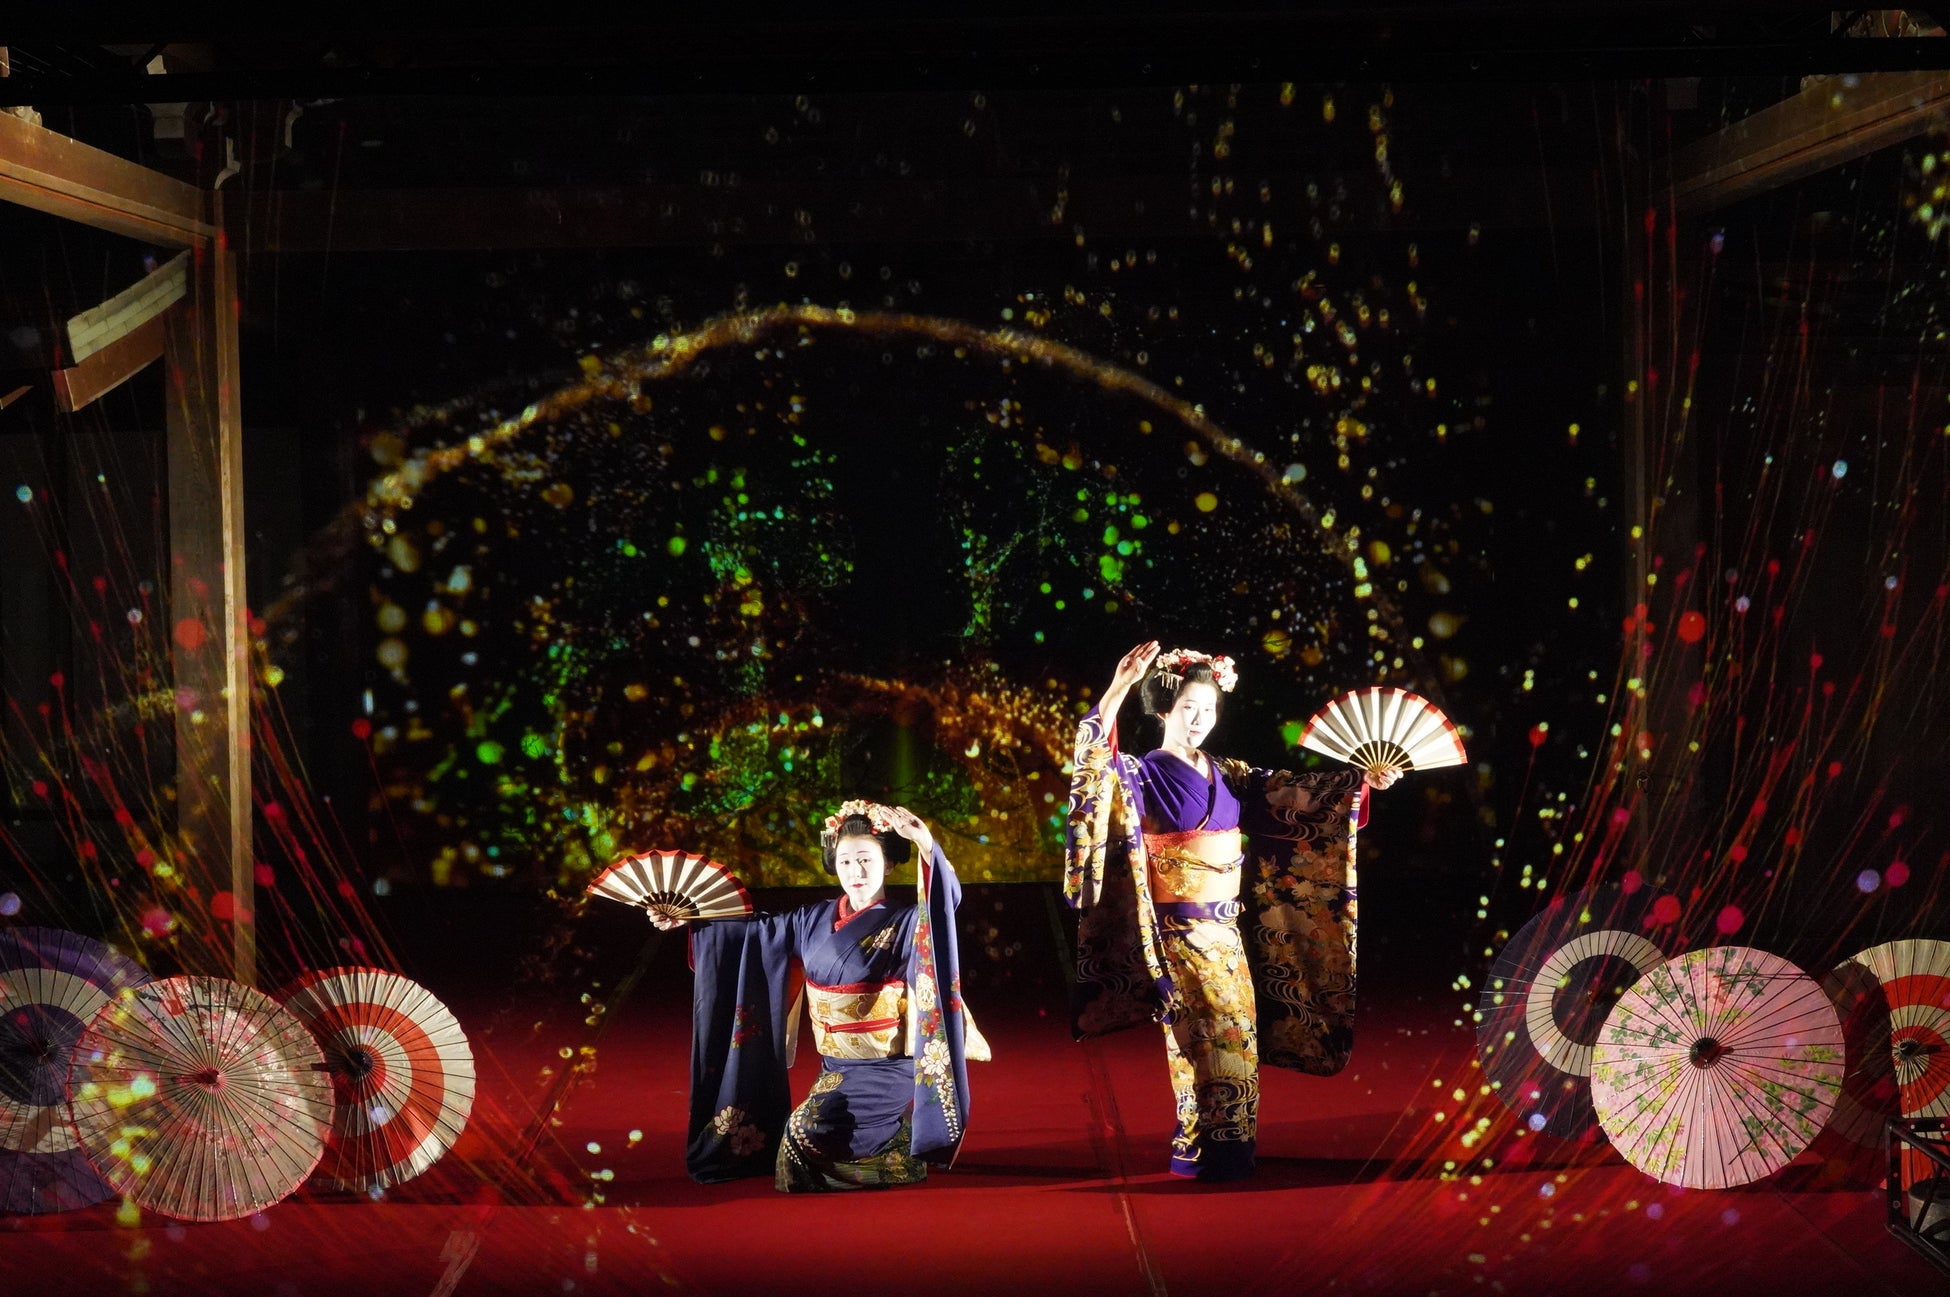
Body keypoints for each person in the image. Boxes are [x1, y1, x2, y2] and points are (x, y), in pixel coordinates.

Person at [1064, 641, 1398, 1181]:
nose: (1199, 719)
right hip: (1176, 933)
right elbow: (1093, 768)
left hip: (1226, 933)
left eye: (1209, 709)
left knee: (1237, 1036)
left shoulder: (1230, 773)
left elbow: (1293, 796)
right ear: (1163, 710)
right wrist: (1119, 686)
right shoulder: (1138, 774)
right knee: (1208, 1036)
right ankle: (1210, 1151)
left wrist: (1360, 785)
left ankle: (1218, 1148)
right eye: (1188, 708)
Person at [653, 800, 980, 1191]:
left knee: (802, 1134)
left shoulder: (907, 922)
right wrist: (691, 919)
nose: (855, 871)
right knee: (796, 1146)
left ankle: (895, 1157)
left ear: (889, 864)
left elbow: (942, 907)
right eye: (845, 862)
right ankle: (889, 1143)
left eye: (866, 860)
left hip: (885, 1067)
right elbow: (753, 935)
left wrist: (926, 844)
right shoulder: (812, 919)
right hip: (835, 1066)